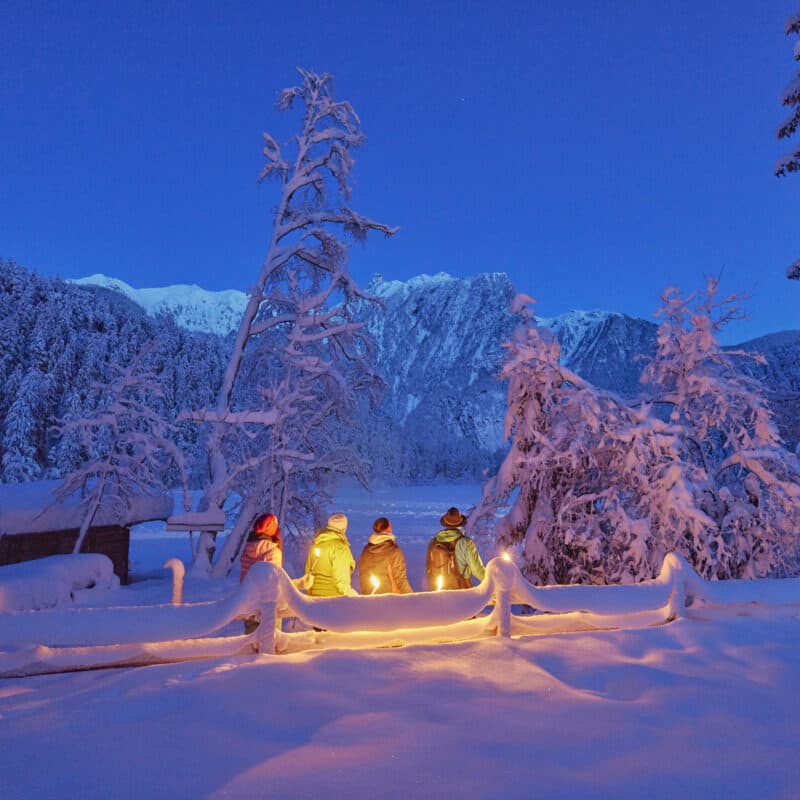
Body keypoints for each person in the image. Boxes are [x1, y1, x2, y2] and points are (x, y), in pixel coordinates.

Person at [240, 512, 282, 634]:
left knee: (250, 643)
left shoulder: (247, 548)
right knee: (269, 643)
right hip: (267, 605)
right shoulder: (273, 552)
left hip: (248, 600)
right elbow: (273, 582)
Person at [426, 506, 486, 590]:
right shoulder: (466, 543)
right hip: (461, 594)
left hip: (439, 596)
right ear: (460, 524)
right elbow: (478, 570)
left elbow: (429, 572)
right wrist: (494, 582)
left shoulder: (433, 543)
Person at [305, 512, 358, 597]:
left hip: (314, 597)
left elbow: (308, 572)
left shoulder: (316, 544)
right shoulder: (340, 548)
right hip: (332, 600)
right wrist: (353, 596)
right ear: (343, 528)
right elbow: (341, 580)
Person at [358, 517, 413, 595]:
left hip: (371, 596)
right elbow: (400, 579)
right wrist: (411, 597)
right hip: (390, 599)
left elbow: (362, 575)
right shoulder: (393, 550)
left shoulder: (366, 550)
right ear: (388, 528)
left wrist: (366, 594)